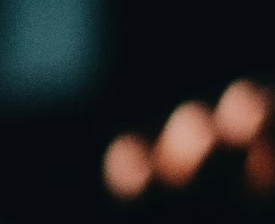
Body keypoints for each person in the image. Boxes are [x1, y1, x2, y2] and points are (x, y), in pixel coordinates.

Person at [104, 80, 274, 197]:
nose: (137, 166)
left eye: (131, 162)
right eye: (131, 168)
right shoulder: (180, 179)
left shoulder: (176, 132)